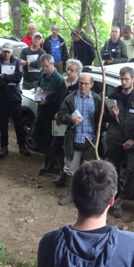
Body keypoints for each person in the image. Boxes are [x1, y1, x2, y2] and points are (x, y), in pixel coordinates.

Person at [103, 66, 134, 218]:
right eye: (121, 79)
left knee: (133, 170)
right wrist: (110, 114)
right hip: (114, 138)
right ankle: (114, 198)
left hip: (132, 139)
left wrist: (133, 139)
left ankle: (123, 196)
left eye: (126, 79)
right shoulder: (113, 96)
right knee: (113, 169)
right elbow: (103, 119)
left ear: (133, 80)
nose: (123, 82)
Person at [56, 74, 102, 206]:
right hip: (74, 140)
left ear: (91, 85)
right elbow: (61, 115)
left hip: (91, 142)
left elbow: (102, 120)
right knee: (71, 169)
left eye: (86, 83)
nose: (82, 86)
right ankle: (69, 195)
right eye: (81, 83)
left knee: (90, 171)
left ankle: (87, 196)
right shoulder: (70, 98)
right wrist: (71, 119)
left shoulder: (97, 99)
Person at [0, 42, 29, 157]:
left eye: (8, 51)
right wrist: (8, 79)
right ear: (1, 51)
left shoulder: (17, 62)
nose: (6, 54)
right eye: (5, 51)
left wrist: (4, 76)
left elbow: (18, 78)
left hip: (15, 97)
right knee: (3, 123)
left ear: (11, 52)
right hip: (2, 98)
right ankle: (4, 147)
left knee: (18, 122)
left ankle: (22, 146)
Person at [51, 59, 82, 187]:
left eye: (71, 70)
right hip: (60, 121)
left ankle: (71, 178)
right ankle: (62, 172)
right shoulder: (63, 83)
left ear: (78, 72)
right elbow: (57, 99)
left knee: (69, 151)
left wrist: (66, 116)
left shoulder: (80, 85)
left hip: (73, 123)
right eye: (67, 69)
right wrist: (56, 113)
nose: (68, 72)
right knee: (56, 146)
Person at [32, 54, 64, 174]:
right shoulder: (43, 74)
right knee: (35, 134)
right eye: (43, 66)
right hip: (40, 112)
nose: (44, 68)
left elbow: (58, 99)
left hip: (51, 114)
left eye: (46, 66)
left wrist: (48, 101)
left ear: (52, 64)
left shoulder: (59, 79)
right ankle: (49, 157)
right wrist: (37, 89)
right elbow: (38, 84)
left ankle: (50, 163)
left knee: (49, 138)